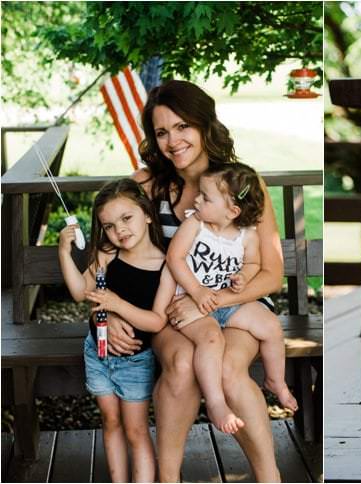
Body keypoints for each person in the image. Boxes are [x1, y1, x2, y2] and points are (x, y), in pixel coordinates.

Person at [100, 79, 283, 481]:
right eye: (162, 131)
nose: (173, 140)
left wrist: (212, 298)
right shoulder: (147, 186)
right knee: (182, 364)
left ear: (204, 126)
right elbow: (104, 255)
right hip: (172, 308)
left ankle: (270, 477)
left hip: (238, 303)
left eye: (182, 127)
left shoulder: (242, 186)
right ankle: (168, 477)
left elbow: (272, 273)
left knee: (229, 369)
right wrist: (107, 315)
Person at [167, 162, 298, 434]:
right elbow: (175, 258)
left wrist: (243, 277)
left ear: (232, 211)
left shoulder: (246, 235)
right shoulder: (195, 224)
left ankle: (276, 381)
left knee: (271, 327)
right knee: (212, 339)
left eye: (206, 197)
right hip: (194, 304)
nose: (197, 200)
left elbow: (252, 263)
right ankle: (215, 402)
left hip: (229, 303)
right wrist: (197, 291)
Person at [58, 178, 175, 482]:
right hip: (97, 353)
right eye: (109, 225)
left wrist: (116, 305)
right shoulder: (109, 254)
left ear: (147, 213)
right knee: (110, 422)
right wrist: (63, 251)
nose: (119, 230)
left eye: (127, 218)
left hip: (135, 361)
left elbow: (156, 321)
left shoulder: (166, 265)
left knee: (136, 429)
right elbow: (80, 291)